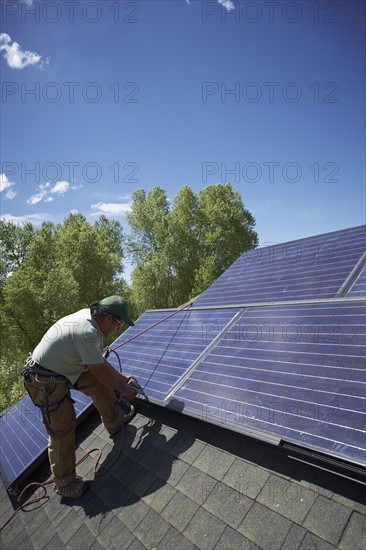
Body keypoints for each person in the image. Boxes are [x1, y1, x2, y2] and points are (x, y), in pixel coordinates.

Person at [22, 295, 138, 499]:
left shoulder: (90, 320)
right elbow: (99, 370)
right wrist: (125, 389)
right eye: (118, 324)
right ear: (109, 318)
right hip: (45, 380)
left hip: (66, 369)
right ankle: (64, 482)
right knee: (62, 428)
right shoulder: (87, 331)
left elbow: (99, 364)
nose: (117, 329)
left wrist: (122, 378)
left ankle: (114, 421)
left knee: (98, 385)